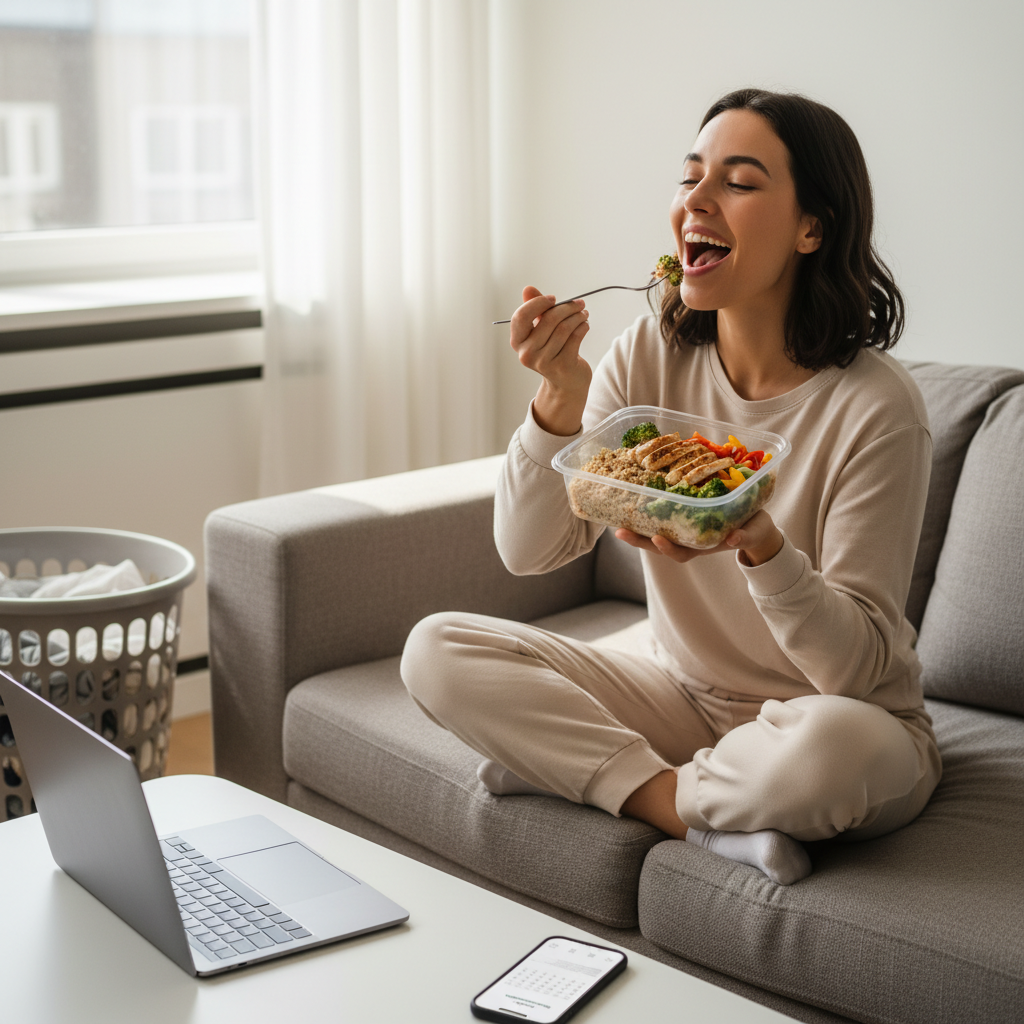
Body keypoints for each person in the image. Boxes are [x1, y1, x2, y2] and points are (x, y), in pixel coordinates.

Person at [400, 88, 941, 885]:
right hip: (680, 699)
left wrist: (762, 547)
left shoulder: (878, 409)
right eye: (691, 178)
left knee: (835, 752)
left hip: (834, 718)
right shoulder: (648, 353)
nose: (697, 199)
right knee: (437, 649)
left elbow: (855, 672)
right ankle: (684, 809)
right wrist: (558, 400)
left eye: (739, 182)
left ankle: (590, 775)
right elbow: (528, 549)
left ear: (812, 228)